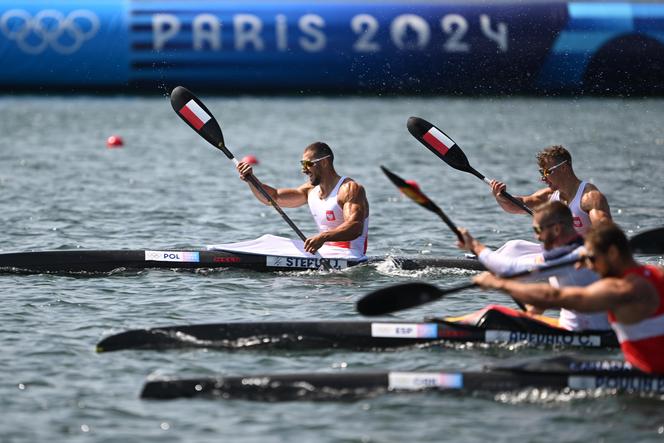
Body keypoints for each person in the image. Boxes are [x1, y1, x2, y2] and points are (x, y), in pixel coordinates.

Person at [474, 222, 664, 374]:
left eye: (591, 258)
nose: (587, 266)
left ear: (613, 253)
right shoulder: (657, 273)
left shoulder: (622, 288)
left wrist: (499, 284)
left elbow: (554, 296)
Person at [457, 201, 610, 331]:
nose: (537, 237)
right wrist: (535, 310)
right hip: (595, 328)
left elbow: (508, 269)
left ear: (556, 229)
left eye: (538, 230)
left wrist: (474, 245)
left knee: (494, 314)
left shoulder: (565, 256)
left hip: (583, 333)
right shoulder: (582, 248)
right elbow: (570, 286)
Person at [236, 141, 369, 259]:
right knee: (271, 241)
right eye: (302, 164)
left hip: (349, 255)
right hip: (325, 253)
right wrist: (251, 180)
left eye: (307, 164)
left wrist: (323, 237)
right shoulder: (310, 191)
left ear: (324, 162)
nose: (304, 170)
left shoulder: (349, 189)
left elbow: (355, 227)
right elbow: (273, 197)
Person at [490, 145, 611, 236]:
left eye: (547, 172)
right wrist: (500, 196)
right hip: (561, 253)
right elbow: (517, 205)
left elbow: (606, 232)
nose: (543, 177)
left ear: (564, 168)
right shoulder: (549, 196)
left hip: (585, 256)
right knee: (514, 245)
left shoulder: (589, 197)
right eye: (541, 172)